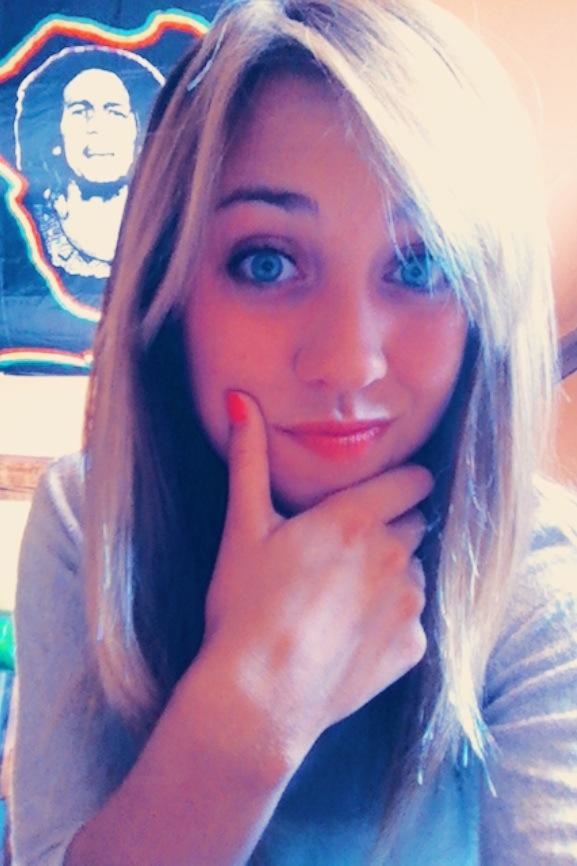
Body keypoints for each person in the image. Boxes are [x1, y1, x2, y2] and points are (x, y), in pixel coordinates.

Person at [10, 0, 577, 864]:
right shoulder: (91, 520)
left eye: (421, 264)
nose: (348, 363)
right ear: (171, 295)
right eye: (267, 261)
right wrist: (248, 710)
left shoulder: (542, 576)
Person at [15, 45, 163, 282]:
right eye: (80, 111)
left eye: (114, 112)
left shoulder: (178, 224)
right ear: (55, 137)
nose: (98, 127)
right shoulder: (21, 228)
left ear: (137, 131)